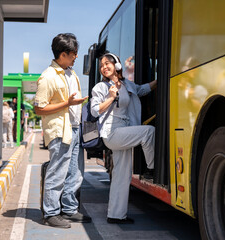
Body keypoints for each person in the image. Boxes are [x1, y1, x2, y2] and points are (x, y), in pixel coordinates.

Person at [90, 53, 157, 224]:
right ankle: (153, 169)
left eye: (107, 63)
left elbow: (142, 90)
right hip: (112, 133)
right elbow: (95, 110)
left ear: (117, 65)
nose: (104, 67)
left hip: (124, 131)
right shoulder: (101, 87)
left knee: (122, 175)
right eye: (102, 65)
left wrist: (161, 78)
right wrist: (111, 97)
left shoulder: (126, 84)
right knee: (148, 131)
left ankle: (116, 215)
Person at [34, 33, 90, 228]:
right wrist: (68, 103)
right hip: (59, 131)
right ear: (63, 54)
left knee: (73, 173)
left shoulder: (71, 73)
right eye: (74, 53)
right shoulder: (47, 77)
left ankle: (69, 209)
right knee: (57, 172)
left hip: (74, 129)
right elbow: (38, 108)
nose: (76, 57)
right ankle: (51, 213)